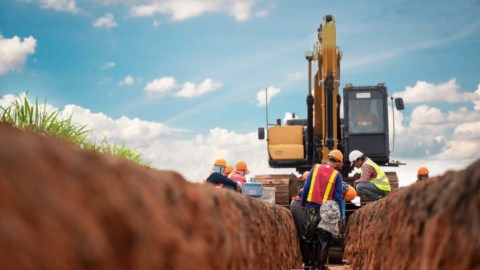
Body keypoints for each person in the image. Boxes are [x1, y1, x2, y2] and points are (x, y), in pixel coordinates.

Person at [300, 150, 344, 270]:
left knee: (311, 237)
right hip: (328, 210)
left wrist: (303, 202)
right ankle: (321, 266)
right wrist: (339, 215)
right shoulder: (337, 175)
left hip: (313, 207)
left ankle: (312, 265)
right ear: (339, 164)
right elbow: (338, 196)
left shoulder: (315, 168)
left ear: (328, 158)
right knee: (325, 238)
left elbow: (306, 187)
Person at [290, 171, 310, 267]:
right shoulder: (307, 189)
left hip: (302, 205)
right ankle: (307, 262)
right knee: (304, 234)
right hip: (298, 205)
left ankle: (309, 261)